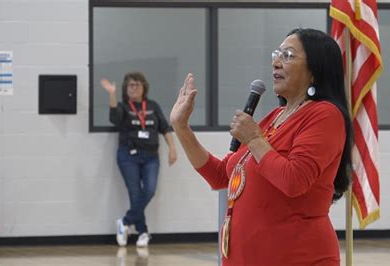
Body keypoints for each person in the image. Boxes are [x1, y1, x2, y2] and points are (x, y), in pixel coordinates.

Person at [170, 28, 353, 265]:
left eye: (287, 55)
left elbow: (294, 180)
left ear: (315, 72)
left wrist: (254, 139)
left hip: (297, 257)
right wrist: (181, 127)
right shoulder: (274, 117)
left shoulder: (325, 115)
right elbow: (220, 176)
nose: (276, 62)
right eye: (276, 54)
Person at [101, 72, 178, 247]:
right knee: (135, 193)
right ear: (125, 89)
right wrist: (112, 94)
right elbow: (114, 118)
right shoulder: (123, 106)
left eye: (137, 84)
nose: (134, 87)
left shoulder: (152, 106)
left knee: (149, 190)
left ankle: (125, 223)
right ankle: (143, 232)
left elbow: (165, 128)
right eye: (130, 85)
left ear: (144, 87)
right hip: (128, 155)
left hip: (151, 156)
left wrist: (173, 149)